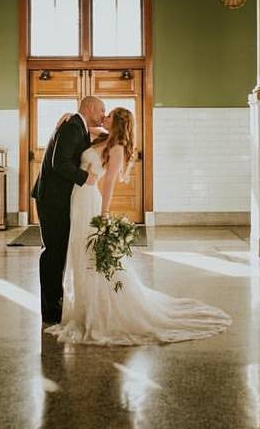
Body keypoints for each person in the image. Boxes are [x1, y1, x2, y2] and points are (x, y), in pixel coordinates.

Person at [45, 107, 231, 345]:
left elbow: (109, 183)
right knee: (79, 252)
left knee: (91, 255)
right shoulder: (101, 135)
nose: (105, 117)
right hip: (76, 198)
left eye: (109, 114)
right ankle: (81, 307)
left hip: (90, 200)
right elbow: (77, 127)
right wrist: (65, 117)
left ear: (119, 121)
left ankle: (100, 310)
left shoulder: (117, 148)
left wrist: (103, 217)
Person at [32, 96, 105, 324]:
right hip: (52, 200)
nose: (104, 115)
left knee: (58, 252)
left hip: (58, 199)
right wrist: (86, 178)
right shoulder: (73, 126)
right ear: (90, 108)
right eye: (102, 110)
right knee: (53, 253)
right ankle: (51, 310)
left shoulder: (77, 126)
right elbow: (59, 163)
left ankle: (55, 304)